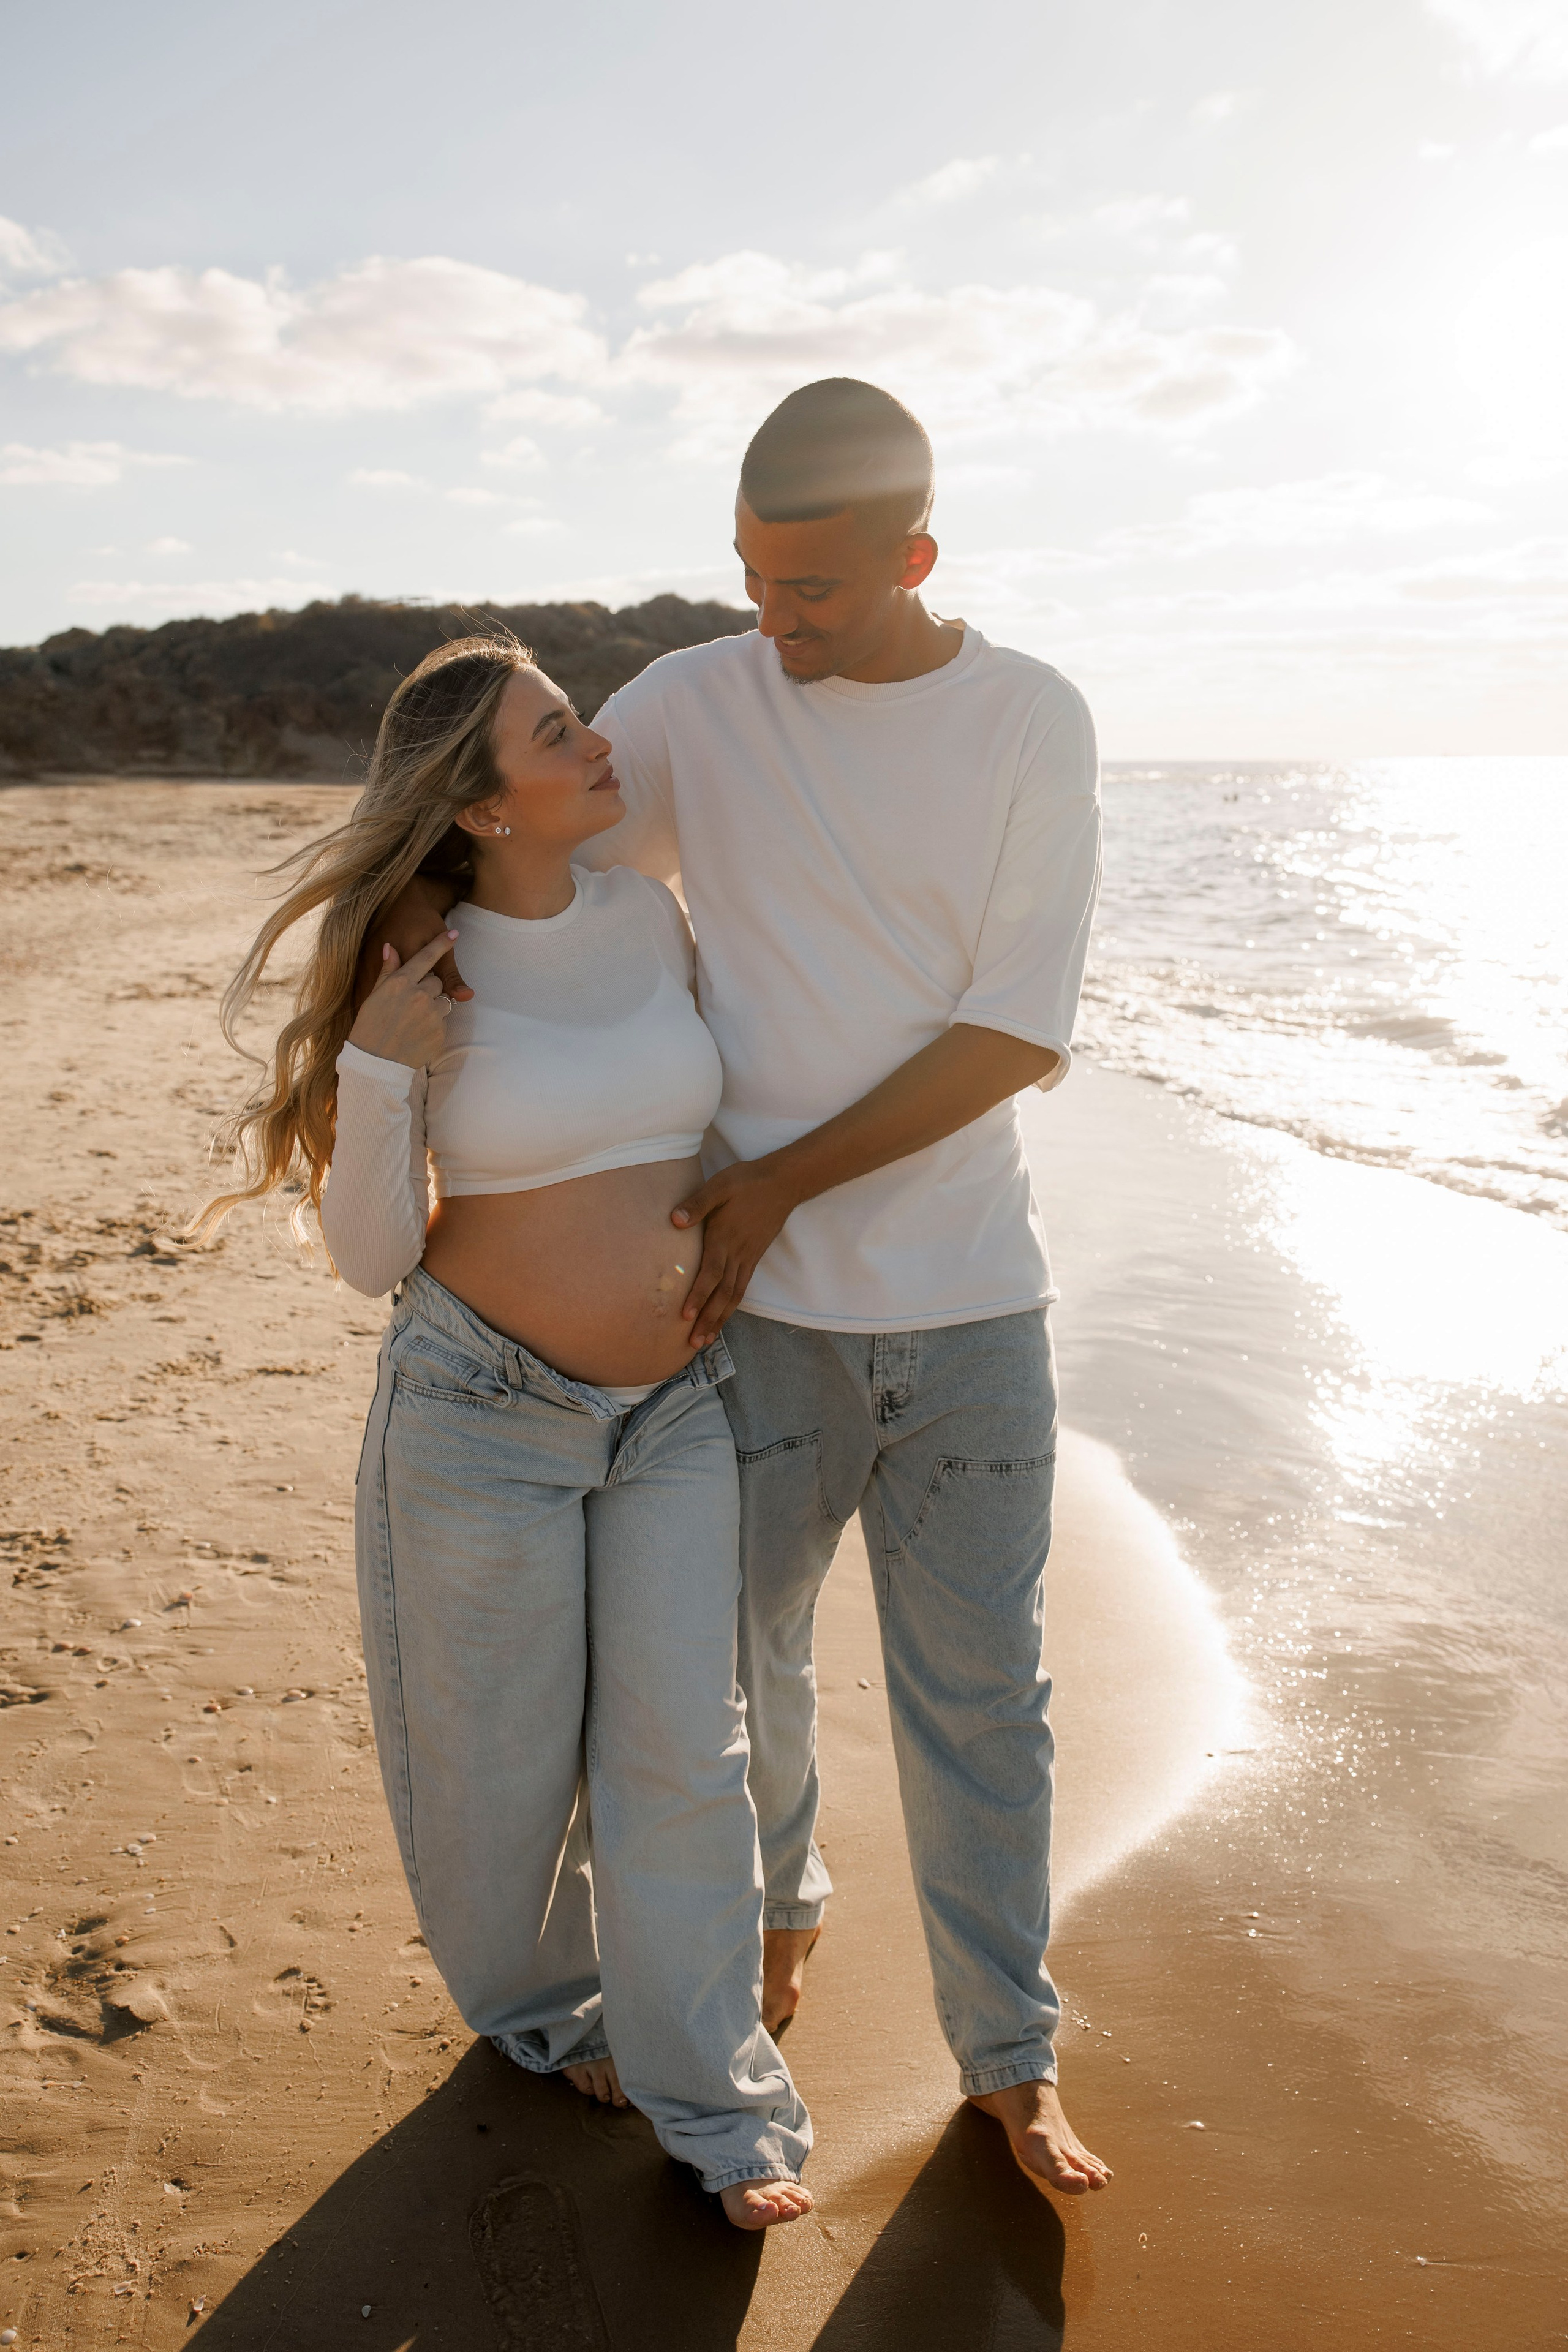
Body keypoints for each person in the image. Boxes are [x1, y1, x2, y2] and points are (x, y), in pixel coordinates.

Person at [384, 378, 1112, 2199]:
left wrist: (771, 1182)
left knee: (982, 1697)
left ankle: (1012, 2058)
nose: (774, 621)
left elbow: (1019, 1029)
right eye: (751, 578)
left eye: (816, 592)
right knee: (744, 1683)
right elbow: (506, 828)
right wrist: (387, 1006)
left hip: (967, 1310)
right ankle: (781, 1918)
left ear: (918, 558)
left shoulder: (1031, 717)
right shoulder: (703, 700)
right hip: (752, 1327)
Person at [196, 635, 812, 2231]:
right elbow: (371, 1255)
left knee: (687, 1752)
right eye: (560, 728)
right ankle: (549, 2015)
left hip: (674, 1404)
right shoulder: (423, 957)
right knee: (495, 1773)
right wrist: (384, 1076)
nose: (601, 739)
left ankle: (723, 2111)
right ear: (480, 805)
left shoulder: (651, 920)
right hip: (483, 1413)